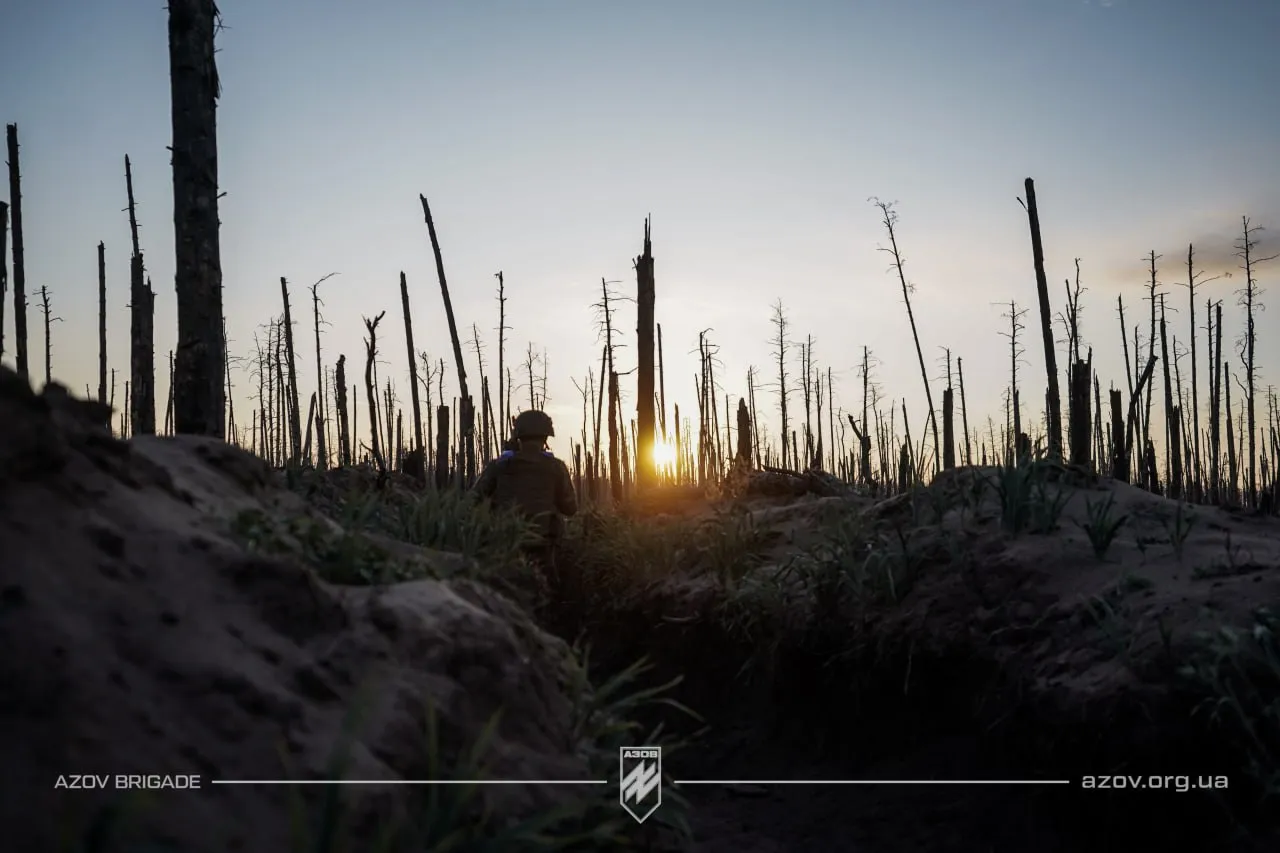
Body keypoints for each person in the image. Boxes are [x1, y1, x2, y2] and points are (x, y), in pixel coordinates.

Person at [473, 410, 578, 591]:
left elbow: (473, 499)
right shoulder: (556, 467)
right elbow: (570, 508)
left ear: (518, 436)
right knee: (548, 588)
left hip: (506, 542)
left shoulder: (499, 466)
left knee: (503, 589)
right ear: (545, 437)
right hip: (543, 544)